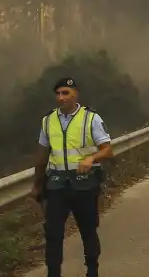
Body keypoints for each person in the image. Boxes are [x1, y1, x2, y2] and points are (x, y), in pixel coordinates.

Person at [31, 78, 114, 277]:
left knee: (88, 230)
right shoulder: (48, 120)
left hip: (85, 184)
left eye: (65, 93)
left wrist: (91, 158)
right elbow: (42, 156)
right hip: (57, 185)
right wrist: (37, 185)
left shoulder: (90, 118)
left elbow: (108, 150)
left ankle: (92, 270)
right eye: (58, 93)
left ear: (75, 94)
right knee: (53, 235)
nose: (61, 98)